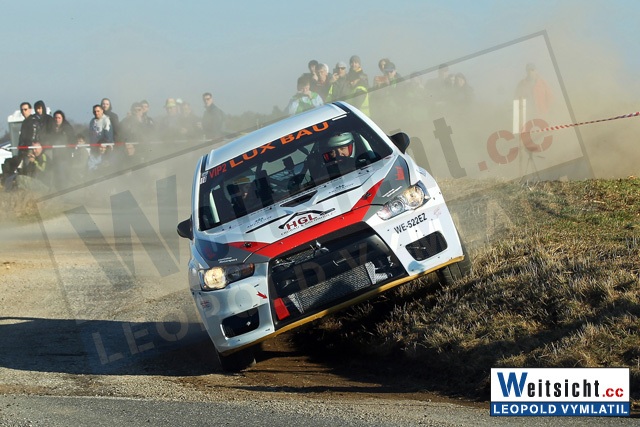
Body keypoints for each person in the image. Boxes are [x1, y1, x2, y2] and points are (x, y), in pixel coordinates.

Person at [48, 110, 76, 189]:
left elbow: (72, 140)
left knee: (62, 173)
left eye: (59, 118)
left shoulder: (67, 128)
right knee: (56, 173)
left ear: (62, 118)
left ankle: (64, 189)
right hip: (55, 155)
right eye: (56, 118)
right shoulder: (52, 128)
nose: (57, 120)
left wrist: (70, 147)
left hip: (65, 156)